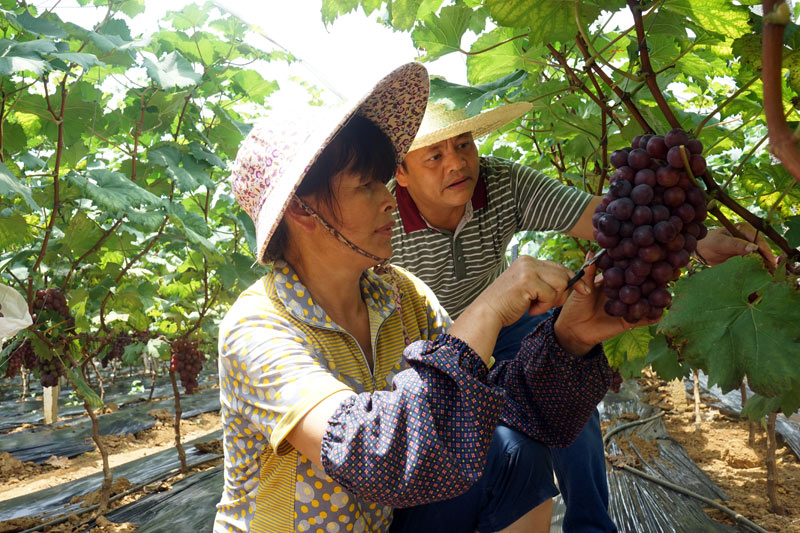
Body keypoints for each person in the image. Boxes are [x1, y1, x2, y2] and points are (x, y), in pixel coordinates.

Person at [215, 62, 642, 533]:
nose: (386, 198)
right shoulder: (258, 328)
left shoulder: (401, 295)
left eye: (383, 181)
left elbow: (503, 409)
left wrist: (569, 341)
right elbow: (371, 455)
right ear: (302, 210)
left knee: (513, 454)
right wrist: (488, 307)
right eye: (366, 185)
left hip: (390, 521)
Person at [388, 100, 776, 532]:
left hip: (507, 320)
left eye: (464, 145)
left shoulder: (502, 181)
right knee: (444, 428)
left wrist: (699, 241)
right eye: (435, 156)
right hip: (428, 339)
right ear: (401, 172)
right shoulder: (382, 217)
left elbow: (608, 220)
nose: (457, 163)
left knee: (567, 390)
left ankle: (591, 525)